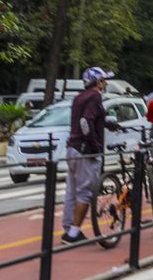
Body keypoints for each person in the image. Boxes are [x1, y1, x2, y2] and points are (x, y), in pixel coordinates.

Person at [61, 67, 121, 243]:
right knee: (85, 193)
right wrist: (94, 147)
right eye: (103, 80)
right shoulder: (95, 96)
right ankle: (73, 234)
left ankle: (68, 227)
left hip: (72, 149)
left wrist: (108, 124)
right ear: (98, 82)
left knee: (71, 192)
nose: (106, 83)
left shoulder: (79, 97)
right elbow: (85, 122)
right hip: (86, 152)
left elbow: (92, 119)